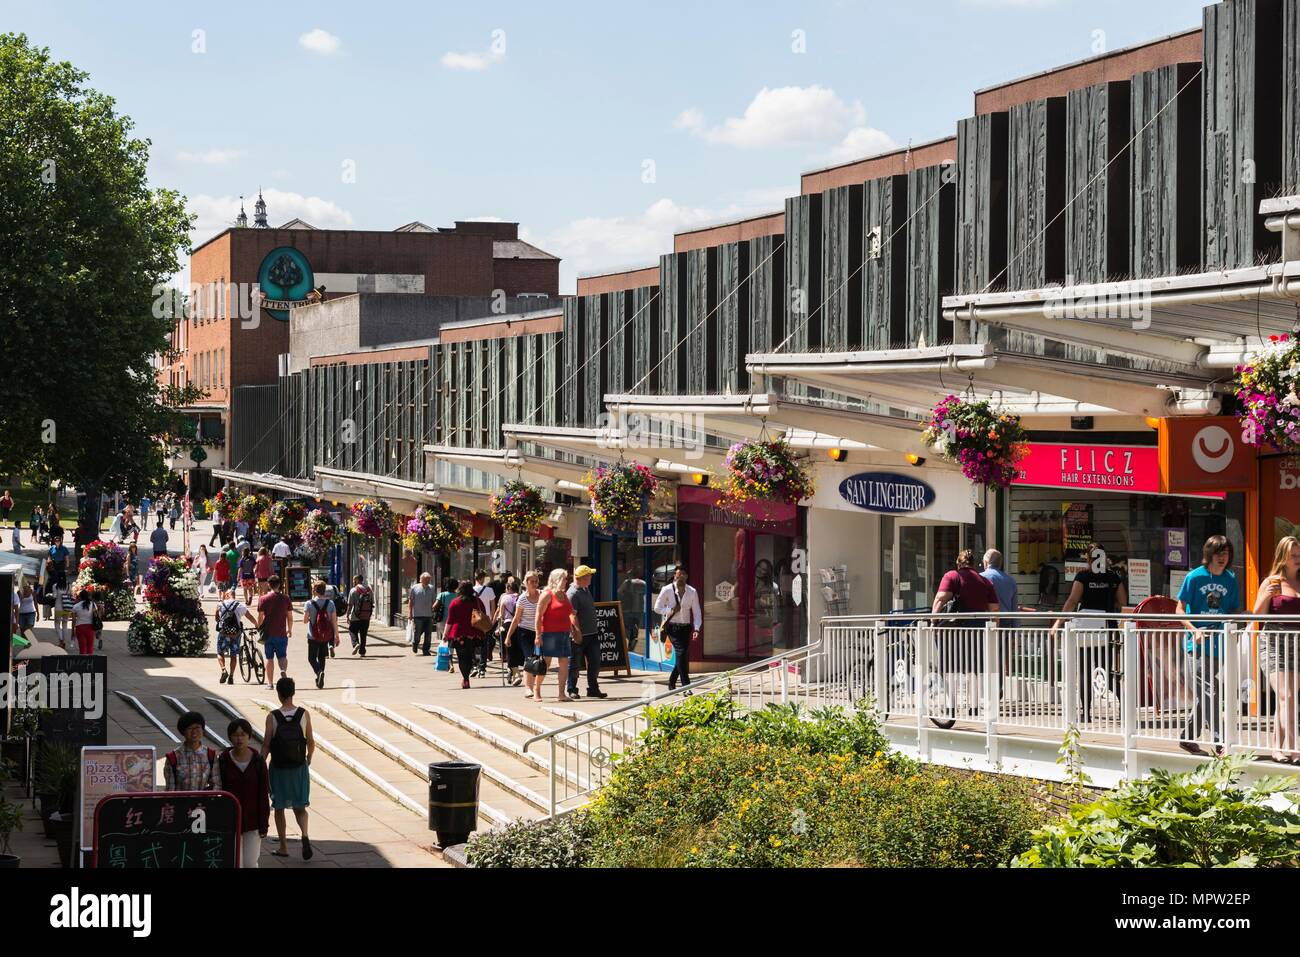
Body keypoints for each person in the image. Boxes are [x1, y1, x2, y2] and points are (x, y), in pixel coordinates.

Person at [1176, 535, 1240, 756]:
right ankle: (1220, 741)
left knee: (1206, 691)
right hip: (1198, 643)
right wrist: (1193, 630)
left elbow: (1232, 610)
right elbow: (1179, 609)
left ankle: (1187, 736)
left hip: (1219, 642)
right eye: (1218, 553)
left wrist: (1246, 615)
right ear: (1209, 554)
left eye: (1226, 553)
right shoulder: (1194, 577)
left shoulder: (1230, 579)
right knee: (1209, 690)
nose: (1223, 557)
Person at [1253, 535, 1300, 764]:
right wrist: (1265, 596)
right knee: (1286, 695)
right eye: (1293, 555)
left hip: (1297, 643)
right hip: (1274, 642)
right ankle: (1293, 747)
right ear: (1283, 556)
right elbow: (1257, 616)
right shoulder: (1272, 581)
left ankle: (1276, 748)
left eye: (1299, 554)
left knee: (1288, 699)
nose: (1298, 558)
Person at [264, 676, 313, 861]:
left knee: (279, 807)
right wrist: (308, 759)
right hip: (299, 767)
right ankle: (305, 835)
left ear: (278, 693)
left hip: (279, 768)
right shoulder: (304, 714)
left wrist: (260, 762)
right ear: (293, 692)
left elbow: (267, 744)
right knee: (300, 806)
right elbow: (311, 741)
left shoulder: (272, 716)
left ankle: (284, 846)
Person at [218, 719, 270, 868]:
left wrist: (263, 824)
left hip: (252, 821)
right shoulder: (223, 761)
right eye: (235, 735)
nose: (239, 739)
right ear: (230, 737)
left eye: (243, 735)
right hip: (231, 821)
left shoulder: (258, 762)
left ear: (249, 736)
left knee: (250, 862)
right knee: (235, 862)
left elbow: (263, 795)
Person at [655, 565, 702, 691]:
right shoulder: (667, 589)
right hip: (672, 627)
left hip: (686, 627)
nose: (679, 577)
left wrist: (696, 629)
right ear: (674, 576)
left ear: (686, 576)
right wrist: (670, 610)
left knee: (683, 656)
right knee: (681, 653)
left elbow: (697, 612)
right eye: (677, 575)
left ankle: (671, 682)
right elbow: (657, 608)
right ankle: (686, 686)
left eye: (682, 575)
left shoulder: (692, 591)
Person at [533, 568, 577, 702]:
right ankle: (537, 689)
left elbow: (570, 612)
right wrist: (538, 635)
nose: (566, 581)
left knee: (564, 663)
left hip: (564, 633)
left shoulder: (564, 595)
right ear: (557, 579)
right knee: (545, 663)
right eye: (564, 578)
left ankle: (561, 694)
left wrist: (574, 627)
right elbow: (538, 615)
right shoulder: (547, 594)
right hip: (549, 634)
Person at [566, 564, 607, 700]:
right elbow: (572, 615)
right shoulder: (573, 593)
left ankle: (593, 689)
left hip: (592, 633)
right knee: (575, 664)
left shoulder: (585, 589)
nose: (591, 578)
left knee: (595, 662)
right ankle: (572, 688)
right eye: (589, 575)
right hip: (579, 635)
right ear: (582, 578)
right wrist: (577, 632)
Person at [444, 580, 488, 689]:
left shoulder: (455, 602)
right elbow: (484, 614)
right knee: (470, 655)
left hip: (459, 633)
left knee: (462, 657)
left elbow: (450, 620)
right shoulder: (477, 601)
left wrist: (445, 634)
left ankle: (466, 679)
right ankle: (471, 670)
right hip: (474, 633)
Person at [163, 712, 219, 791]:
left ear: (202, 730)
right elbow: (170, 789)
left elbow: (216, 785)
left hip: (203, 802)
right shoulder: (173, 758)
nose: (194, 732)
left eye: (197, 727)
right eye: (190, 728)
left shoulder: (211, 755)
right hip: (181, 802)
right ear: (183, 732)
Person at [257, 575, 294, 690]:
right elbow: (290, 616)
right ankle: (282, 670)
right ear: (280, 585)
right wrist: (289, 629)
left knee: (269, 658)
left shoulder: (263, 599)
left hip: (268, 633)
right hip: (281, 633)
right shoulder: (286, 598)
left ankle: (270, 683)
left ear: (269, 584)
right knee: (282, 656)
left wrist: (259, 627)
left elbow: (260, 616)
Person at [215, 587, 257, 685]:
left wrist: (219, 619)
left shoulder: (221, 604)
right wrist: (256, 625)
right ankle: (231, 677)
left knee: (220, 652)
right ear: (234, 595)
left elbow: (216, 616)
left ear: (226, 595)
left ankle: (223, 670)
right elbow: (249, 616)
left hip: (224, 632)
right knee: (233, 655)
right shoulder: (240, 605)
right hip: (236, 634)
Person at [303, 581, 338, 689]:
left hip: (313, 635)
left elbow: (305, 620)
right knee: (322, 657)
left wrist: (310, 618)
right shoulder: (331, 603)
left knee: (311, 658)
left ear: (314, 590)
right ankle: (321, 674)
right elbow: (334, 620)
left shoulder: (309, 603)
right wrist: (336, 635)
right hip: (326, 635)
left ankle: (318, 672)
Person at [497, 577, 525, 687]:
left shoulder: (504, 598)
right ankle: (513, 672)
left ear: (509, 588)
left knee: (509, 650)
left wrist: (498, 627)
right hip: (520, 625)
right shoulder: (521, 597)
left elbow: (501, 615)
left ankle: (516, 673)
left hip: (508, 625)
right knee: (517, 649)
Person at [472, 570, 497, 677]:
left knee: (473, 643)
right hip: (485, 620)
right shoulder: (489, 590)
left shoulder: (471, 590)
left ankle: (474, 665)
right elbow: (493, 607)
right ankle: (482, 667)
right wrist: (492, 620)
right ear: (482, 578)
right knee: (484, 643)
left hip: (473, 620)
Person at [345, 574, 374, 656]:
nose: (353, 582)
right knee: (363, 634)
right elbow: (372, 602)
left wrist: (347, 615)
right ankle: (362, 651)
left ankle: (355, 643)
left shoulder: (353, 590)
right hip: (366, 616)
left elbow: (350, 605)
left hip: (356, 616)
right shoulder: (369, 590)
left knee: (352, 630)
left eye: (354, 580)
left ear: (357, 580)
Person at [408, 572, 436, 655]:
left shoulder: (431, 588)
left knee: (428, 634)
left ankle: (426, 650)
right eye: (426, 580)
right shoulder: (415, 588)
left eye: (429, 580)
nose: (428, 581)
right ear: (421, 580)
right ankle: (415, 643)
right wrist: (410, 613)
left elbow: (434, 601)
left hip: (429, 615)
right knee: (417, 633)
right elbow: (411, 601)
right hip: (418, 615)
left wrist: (434, 611)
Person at [71, 588, 102, 655]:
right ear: (88, 596)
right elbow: (97, 616)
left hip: (80, 628)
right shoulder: (93, 605)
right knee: (90, 648)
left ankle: (83, 663)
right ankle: (90, 664)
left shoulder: (75, 606)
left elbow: (73, 620)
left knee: (82, 648)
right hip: (90, 628)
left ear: (80, 597)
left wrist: (72, 632)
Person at [433, 577, 457, 644]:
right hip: (454, 620)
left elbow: (434, 607)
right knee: (451, 637)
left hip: (442, 620)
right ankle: (450, 651)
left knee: (445, 636)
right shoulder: (458, 595)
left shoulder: (442, 595)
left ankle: (445, 651)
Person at [51, 583, 73, 648]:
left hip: (58, 608)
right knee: (65, 624)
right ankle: (64, 641)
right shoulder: (68, 585)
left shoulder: (55, 585)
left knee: (57, 624)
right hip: (67, 607)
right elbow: (70, 595)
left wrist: (50, 595)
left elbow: (54, 596)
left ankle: (61, 640)